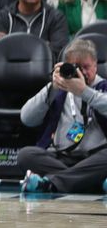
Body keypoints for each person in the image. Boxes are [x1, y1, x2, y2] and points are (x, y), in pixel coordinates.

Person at [18, 39, 107, 194]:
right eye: (75, 68)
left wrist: (84, 92)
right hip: (62, 157)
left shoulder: (102, 87)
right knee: (26, 155)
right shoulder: (59, 89)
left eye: (86, 67)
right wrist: (52, 87)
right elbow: (27, 118)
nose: (82, 73)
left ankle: (52, 183)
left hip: (95, 158)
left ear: (95, 64)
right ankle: (89, 181)